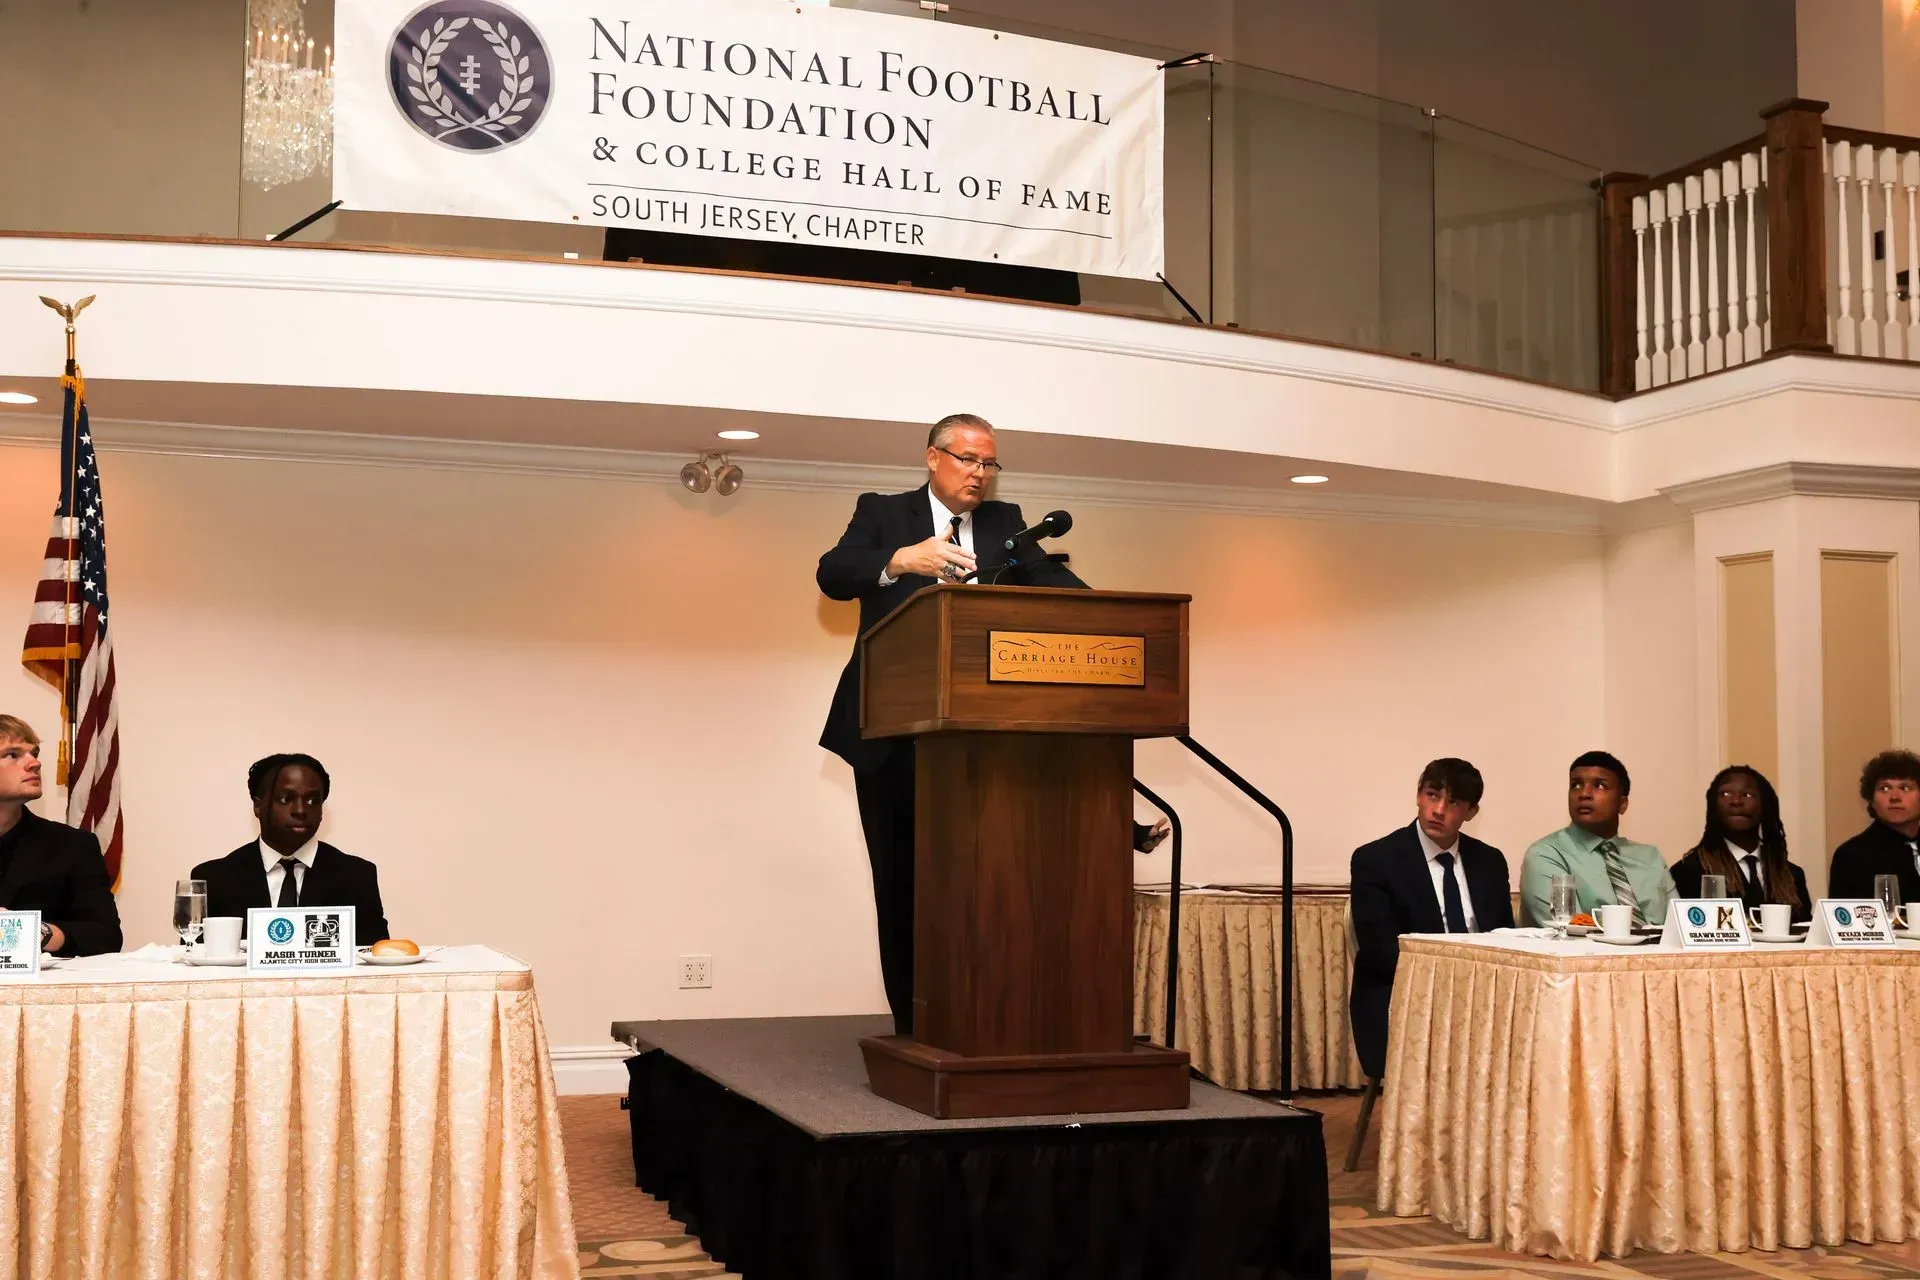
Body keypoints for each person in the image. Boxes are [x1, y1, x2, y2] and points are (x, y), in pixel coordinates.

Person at [817, 413, 1081, 1035]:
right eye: (968, 459)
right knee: (904, 885)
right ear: (932, 458)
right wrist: (903, 560)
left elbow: (1055, 582)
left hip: (978, 733)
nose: (980, 474)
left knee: (981, 882)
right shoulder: (883, 513)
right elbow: (833, 574)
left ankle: (979, 1017)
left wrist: (1102, 613)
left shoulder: (1002, 523)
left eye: (988, 463)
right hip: (891, 729)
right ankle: (914, 1027)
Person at [1348, 758, 1512, 1079]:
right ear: (1419, 795)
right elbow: (1380, 952)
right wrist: (1452, 982)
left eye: (1453, 802)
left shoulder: (1489, 862)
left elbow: (1505, 937)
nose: (1438, 810)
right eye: (1432, 795)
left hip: (1484, 999)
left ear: (1471, 812)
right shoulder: (1375, 859)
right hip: (1409, 998)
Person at [192, 753, 390, 945]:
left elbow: (374, 961)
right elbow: (196, 965)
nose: (300, 810)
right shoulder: (214, 879)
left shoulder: (357, 877)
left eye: (312, 801)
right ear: (257, 806)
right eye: (286, 798)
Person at [0, 715, 122, 956]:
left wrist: (38, 933)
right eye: (12, 754)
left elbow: (106, 937)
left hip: (42, 988)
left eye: (34, 753)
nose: (34, 763)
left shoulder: (73, 846)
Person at [1520, 751, 1675, 928]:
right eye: (1576, 785)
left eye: (1599, 786)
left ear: (1622, 804)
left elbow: (1681, 928)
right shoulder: (1547, 854)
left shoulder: (1650, 857)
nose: (1584, 794)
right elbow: (1569, 930)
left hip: (1659, 954)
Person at [1669, 765, 1810, 922]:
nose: (1736, 801)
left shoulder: (1792, 875)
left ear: (1765, 806)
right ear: (1713, 806)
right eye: (1726, 794)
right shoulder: (1688, 871)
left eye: (1747, 794)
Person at [1830, 749, 1920, 902]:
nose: (1895, 797)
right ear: (1871, 800)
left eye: (1905, 788)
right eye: (1884, 788)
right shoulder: (1852, 856)